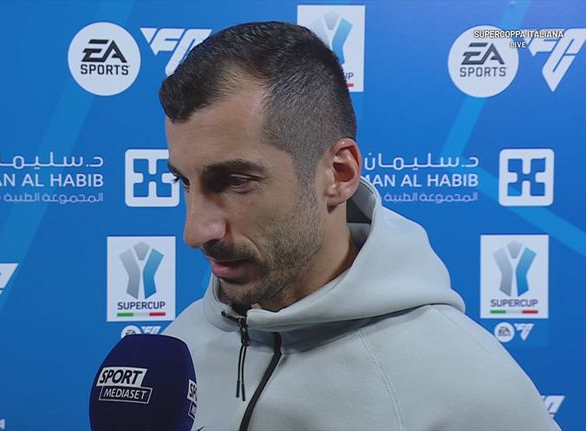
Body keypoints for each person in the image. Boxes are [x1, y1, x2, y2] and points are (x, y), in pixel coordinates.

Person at [161, 21, 559, 431]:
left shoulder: (473, 392)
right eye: (184, 182)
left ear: (339, 173)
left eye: (235, 182)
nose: (195, 232)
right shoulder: (177, 350)